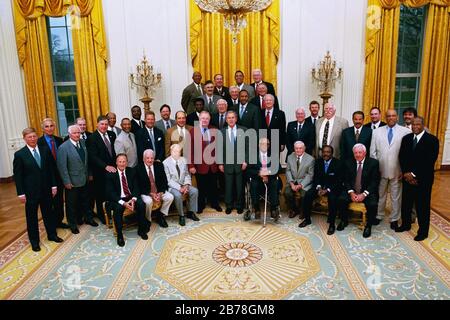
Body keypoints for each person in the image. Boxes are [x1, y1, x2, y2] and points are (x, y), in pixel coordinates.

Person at [13, 127, 63, 252]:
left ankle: (52, 235)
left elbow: (51, 169)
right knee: (32, 217)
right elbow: (18, 176)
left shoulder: (45, 150)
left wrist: (54, 185)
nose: (32, 139)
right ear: (24, 139)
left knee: (49, 214)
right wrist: (20, 193)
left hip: (46, 189)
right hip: (30, 192)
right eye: (29, 137)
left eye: (34, 136)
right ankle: (34, 242)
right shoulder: (19, 155)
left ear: (37, 137)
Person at [397, 117, 439, 241]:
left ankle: (423, 231)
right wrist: (406, 173)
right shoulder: (406, 139)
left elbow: (430, 161)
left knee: (422, 206)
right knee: (406, 203)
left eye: (417, 124)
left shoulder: (432, 140)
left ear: (423, 125)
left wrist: (414, 174)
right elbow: (402, 157)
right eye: (413, 124)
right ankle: (405, 225)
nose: (415, 126)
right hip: (407, 177)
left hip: (423, 179)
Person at [370, 109, 411, 229]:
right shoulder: (377, 132)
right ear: (385, 117)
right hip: (380, 170)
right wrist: (376, 169)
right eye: (388, 116)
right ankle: (378, 215)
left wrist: (403, 170)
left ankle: (394, 218)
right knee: (380, 195)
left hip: (397, 170)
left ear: (397, 117)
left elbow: (407, 154)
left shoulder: (405, 132)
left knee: (396, 196)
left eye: (393, 116)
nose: (391, 118)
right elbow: (372, 153)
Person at [57, 125, 98, 234]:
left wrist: (89, 174)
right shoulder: (63, 147)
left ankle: (88, 219)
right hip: (72, 182)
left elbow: (87, 161)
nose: (77, 135)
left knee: (86, 201)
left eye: (78, 133)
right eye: (74, 133)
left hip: (84, 179)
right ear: (69, 134)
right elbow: (62, 167)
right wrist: (66, 181)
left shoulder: (83, 143)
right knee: (71, 205)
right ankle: (73, 224)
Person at [337, 144, 380, 238]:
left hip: (366, 192)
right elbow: (346, 180)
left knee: (372, 204)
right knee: (341, 199)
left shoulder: (373, 163)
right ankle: (344, 220)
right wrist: (351, 192)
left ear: (365, 153)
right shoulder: (348, 162)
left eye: (360, 152)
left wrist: (364, 194)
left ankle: (368, 226)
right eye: (355, 153)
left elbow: (374, 182)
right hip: (352, 190)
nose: (358, 155)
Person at [105, 154, 148, 247]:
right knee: (118, 209)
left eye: (124, 161)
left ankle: (141, 230)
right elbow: (110, 193)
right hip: (117, 199)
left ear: (127, 162)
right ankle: (119, 234)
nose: (122, 164)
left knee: (141, 204)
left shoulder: (131, 171)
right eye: (120, 161)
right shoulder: (110, 174)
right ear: (116, 162)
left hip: (130, 196)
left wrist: (133, 199)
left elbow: (137, 187)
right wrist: (123, 203)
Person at [301, 145, 343, 234]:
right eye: (324, 152)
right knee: (308, 194)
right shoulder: (318, 162)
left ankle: (331, 224)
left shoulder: (338, 163)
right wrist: (319, 187)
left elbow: (338, 181)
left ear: (332, 153)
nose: (325, 154)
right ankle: (307, 219)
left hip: (332, 188)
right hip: (319, 187)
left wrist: (327, 190)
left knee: (333, 199)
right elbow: (316, 177)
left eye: (328, 152)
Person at [188, 111, 222, 213]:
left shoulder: (215, 130)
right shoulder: (193, 131)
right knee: (201, 187)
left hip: (213, 165)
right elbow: (189, 150)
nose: (205, 120)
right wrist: (191, 166)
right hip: (199, 166)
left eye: (207, 118)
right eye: (203, 118)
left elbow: (219, 149)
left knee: (214, 186)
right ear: (199, 119)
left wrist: (220, 163)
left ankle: (215, 203)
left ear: (209, 119)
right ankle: (201, 205)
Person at [38, 118, 68, 229]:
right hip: (47, 178)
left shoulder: (59, 140)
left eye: (51, 126)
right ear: (42, 128)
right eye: (47, 126)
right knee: (48, 203)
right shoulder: (39, 142)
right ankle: (51, 225)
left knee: (59, 201)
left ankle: (59, 221)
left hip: (59, 176)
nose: (49, 128)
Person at [86, 115, 117, 223]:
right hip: (100, 171)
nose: (104, 126)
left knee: (111, 193)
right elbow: (93, 156)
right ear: (97, 124)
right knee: (100, 195)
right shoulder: (92, 138)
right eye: (102, 124)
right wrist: (105, 166)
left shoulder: (112, 135)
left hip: (113, 170)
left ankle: (111, 213)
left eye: (106, 124)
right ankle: (102, 215)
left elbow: (114, 152)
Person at [218, 111, 248, 214]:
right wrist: (220, 163)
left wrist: (246, 161)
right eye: (229, 118)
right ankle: (229, 205)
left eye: (233, 117)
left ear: (236, 119)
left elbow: (248, 148)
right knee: (228, 186)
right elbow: (219, 149)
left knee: (240, 186)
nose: (231, 119)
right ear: (226, 120)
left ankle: (240, 205)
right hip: (227, 164)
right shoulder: (221, 132)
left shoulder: (243, 130)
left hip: (240, 164)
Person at [136, 149, 174, 228]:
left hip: (158, 191)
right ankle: (148, 219)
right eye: (147, 158)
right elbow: (138, 186)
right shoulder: (138, 168)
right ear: (143, 159)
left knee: (170, 197)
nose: (150, 160)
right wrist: (150, 194)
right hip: (146, 193)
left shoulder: (159, 165)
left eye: (152, 158)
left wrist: (161, 193)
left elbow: (164, 181)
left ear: (154, 158)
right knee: (148, 201)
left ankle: (160, 216)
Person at [163, 144, 200, 226]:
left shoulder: (184, 160)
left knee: (194, 191)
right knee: (178, 195)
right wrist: (179, 188)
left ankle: (191, 212)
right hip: (172, 187)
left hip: (184, 184)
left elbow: (187, 174)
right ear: (171, 151)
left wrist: (186, 185)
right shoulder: (165, 163)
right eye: (175, 151)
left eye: (179, 152)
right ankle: (181, 215)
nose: (177, 154)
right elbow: (168, 180)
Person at [246, 138, 280, 221]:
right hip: (257, 179)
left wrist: (268, 172)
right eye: (262, 144)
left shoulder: (274, 154)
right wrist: (259, 173)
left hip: (270, 178)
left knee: (275, 183)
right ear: (259, 145)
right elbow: (249, 170)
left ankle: (273, 209)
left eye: (267, 144)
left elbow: (278, 168)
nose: (265, 146)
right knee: (253, 184)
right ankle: (257, 209)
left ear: (269, 146)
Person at [284, 141, 315, 219]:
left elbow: (310, 175)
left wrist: (301, 185)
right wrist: (291, 184)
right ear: (294, 149)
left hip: (304, 182)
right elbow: (288, 170)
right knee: (287, 192)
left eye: (300, 148)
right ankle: (294, 210)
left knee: (304, 194)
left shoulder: (310, 159)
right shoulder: (290, 157)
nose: (298, 150)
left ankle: (303, 211)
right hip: (293, 181)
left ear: (304, 148)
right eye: (296, 148)